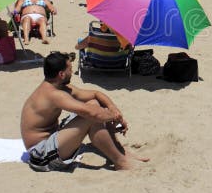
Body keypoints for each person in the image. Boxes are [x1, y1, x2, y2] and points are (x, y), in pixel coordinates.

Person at [20, 52, 148, 172]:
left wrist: (114, 109)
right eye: (69, 69)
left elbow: (95, 94)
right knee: (91, 117)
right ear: (61, 74)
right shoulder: (53, 94)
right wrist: (115, 117)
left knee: (93, 104)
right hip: (41, 154)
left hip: (53, 139)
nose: (71, 72)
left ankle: (119, 150)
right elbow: (92, 114)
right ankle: (120, 161)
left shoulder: (58, 86)